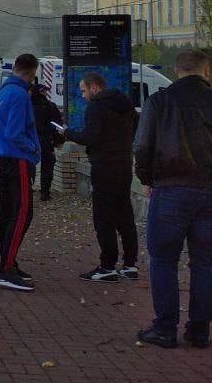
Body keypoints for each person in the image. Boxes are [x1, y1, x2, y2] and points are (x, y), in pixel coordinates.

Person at [133, 49, 212, 349]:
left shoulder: (159, 101)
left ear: (177, 70)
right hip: (209, 193)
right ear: (206, 71)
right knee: (205, 262)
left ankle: (165, 329)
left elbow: (141, 146)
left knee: (164, 261)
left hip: (169, 190)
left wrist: (146, 179)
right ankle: (200, 329)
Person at [63, 71, 139, 283]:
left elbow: (90, 137)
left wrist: (68, 133)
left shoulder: (96, 106)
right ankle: (130, 264)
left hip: (103, 167)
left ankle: (107, 266)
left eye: (84, 90)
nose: (83, 95)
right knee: (124, 215)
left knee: (103, 217)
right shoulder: (126, 105)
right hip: (123, 165)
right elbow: (135, 130)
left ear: (94, 87)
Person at [0, 53, 41, 292]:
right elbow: (15, 133)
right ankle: (6, 269)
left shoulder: (1, 93)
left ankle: (8, 262)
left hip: (1, 157)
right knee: (22, 213)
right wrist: (33, 149)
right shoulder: (19, 95)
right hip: (17, 159)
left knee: (7, 211)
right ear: (30, 72)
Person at [30, 84, 64, 202]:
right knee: (47, 166)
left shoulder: (26, 106)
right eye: (45, 90)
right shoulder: (49, 106)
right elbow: (56, 125)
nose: (46, 92)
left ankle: (28, 188)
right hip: (45, 140)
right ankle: (45, 192)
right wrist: (59, 140)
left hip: (30, 140)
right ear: (42, 91)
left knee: (29, 164)